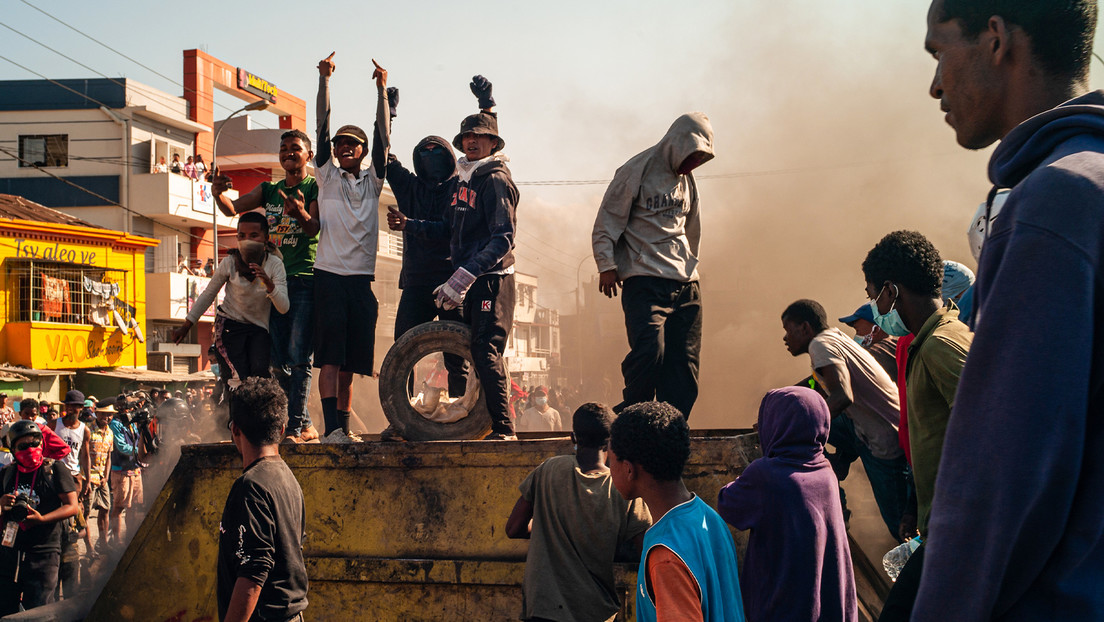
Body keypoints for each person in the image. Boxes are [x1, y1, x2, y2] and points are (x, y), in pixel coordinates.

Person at [915, 2, 1103, 618]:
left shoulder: (1052, 203)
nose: (936, 83)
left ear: (995, 39)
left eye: (939, 51)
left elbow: (999, 483)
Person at [388, 75, 520, 440]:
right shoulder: (466, 179)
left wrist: (488, 106)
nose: (472, 142)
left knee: (478, 351)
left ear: (493, 142)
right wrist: (388, 112)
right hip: (447, 281)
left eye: (479, 137)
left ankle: (498, 428)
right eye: (467, 138)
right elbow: (445, 227)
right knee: (409, 346)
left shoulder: (491, 178)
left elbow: (503, 238)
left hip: (484, 277)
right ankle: (408, 421)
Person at [859, 230, 972, 621]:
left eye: (875, 295)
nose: (876, 306)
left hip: (958, 533)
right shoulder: (930, 341)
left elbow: (986, 434)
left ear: (891, 291)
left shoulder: (942, 345)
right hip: (942, 529)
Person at [591, 113, 715, 419]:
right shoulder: (637, 170)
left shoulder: (688, 181)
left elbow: (693, 228)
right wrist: (606, 264)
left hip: (685, 283)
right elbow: (607, 220)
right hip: (644, 279)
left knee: (684, 363)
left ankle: (673, 423)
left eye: (701, 158)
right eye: (692, 154)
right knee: (649, 352)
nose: (694, 162)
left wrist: (692, 267)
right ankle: (635, 414)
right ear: (677, 144)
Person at [212, 129, 321, 443]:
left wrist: (298, 211)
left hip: (302, 279)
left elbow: (314, 228)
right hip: (269, 284)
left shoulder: (315, 186)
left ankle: (297, 427)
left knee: (300, 357)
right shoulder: (268, 190)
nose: (288, 152)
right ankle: (304, 423)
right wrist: (219, 192)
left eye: (295, 148)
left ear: (308, 156)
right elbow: (233, 208)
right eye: (284, 148)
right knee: (277, 361)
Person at [718, 387, 857, 622]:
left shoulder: (766, 474)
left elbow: (727, 504)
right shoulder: (825, 472)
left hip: (782, 608)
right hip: (824, 608)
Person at [505, 402, 651, 622]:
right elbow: (647, 552)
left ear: (573, 437)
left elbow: (514, 528)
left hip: (543, 608)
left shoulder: (548, 470)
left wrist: (546, 527)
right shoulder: (622, 486)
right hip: (594, 611)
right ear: (611, 442)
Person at [781, 299, 912, 540]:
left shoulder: (820, 344)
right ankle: (836, 462)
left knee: (901, 526)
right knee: (800, 419)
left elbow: (842, 397)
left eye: (788, 330)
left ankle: (922, 570)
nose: (785, 338)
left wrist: (795, 429)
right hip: (879, 426)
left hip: (885, 443)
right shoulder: (834, 337)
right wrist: (781, 408)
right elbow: (818, 384)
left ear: (806, 329)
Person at [382, 78, 471, 427]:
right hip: (417, 282)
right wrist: (388, 114)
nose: (431, 156)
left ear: (450, 157)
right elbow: (383, 155)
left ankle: (464, 415)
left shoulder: (461, 186)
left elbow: (450, 228)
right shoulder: (408, 186)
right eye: (425, 152)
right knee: (402, 350)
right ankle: (398, 418)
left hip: (453, 282)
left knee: (458, 354)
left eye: (439, 152)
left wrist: (410, 224)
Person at [311, 53, 390, 440]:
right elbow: (321, 126)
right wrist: (325, 81)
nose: (344, 147)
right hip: (328, 279)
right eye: (340, 143)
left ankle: (343, 429)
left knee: (351, 366)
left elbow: (383, 137)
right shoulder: (327, 176)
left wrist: (381, 92)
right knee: (329, 359)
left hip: (361, 282)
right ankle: (330, 431)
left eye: (352, 144)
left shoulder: (374, 182)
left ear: (362, 151)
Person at [607, 401, 745, 622]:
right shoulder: (709, 518)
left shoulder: (665, 554)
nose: (609, 469)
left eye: (610, 461)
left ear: (628, 469)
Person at [218, 377, 307, 622]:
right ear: (281, 429)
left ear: (235, 429)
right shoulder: (289, 479)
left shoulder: (250, 487)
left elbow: (253, 571)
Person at [171, 212, 290, 390]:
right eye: (241, 236)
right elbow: (208, 294)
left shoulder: (274, 265)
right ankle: (233, 417)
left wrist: (268, 283)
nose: (247, 240)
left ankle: (255, 417)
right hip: (230, 326)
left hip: (259, 329)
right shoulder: (229, 263)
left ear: (266, 238)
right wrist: (187, 325)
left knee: (260, 377)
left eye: (254, 236)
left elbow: (284, 307)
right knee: (238, 378)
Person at [0, 420, 79, 614]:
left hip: (45, 552)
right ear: (13, 450)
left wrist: (42, 519)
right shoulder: (7, 473)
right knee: (6, 609)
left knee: (39, 610)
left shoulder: (55, 470)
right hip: (11, 551)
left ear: (42, 443)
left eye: (35, 443)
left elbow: (72, 506)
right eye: (23, 446)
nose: (30, 449)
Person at [54, 390, 90, 597]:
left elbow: (84, 454)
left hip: (74, 477)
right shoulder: (55, 425)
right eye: (69, 405)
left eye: (76, 406)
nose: (72, 409)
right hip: (55, 476)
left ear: (81, 408)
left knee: (74, 517)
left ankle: (72, 543)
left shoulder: (84, 430)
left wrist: (87, 479)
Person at [108, 405, 142, 543]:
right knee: (119, 507)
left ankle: (129, 538)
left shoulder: (131, 424)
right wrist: (140, 452)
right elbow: (121, 447)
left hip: (134, 469)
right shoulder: (115, 425)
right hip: (121, 470)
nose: (131, 411)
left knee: (134, 506)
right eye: (128, 408)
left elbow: (137, 440)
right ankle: (116, 540)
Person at [838, 304, 898, 382]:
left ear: (875, 330)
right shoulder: (898, 344)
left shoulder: (876, 353)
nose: (856, 336)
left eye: (858, 331)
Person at [87, 403, 113, 555]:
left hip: (102, 478)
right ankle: (89, 546)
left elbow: (109, 456)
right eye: (103, 414)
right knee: (86, 514)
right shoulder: (88, 430)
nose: (106, 417)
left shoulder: (110, 433)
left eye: (109, 415)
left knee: (105, 509)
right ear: (97, 414)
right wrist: (87, 478)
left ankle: (103, 544)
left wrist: (106, 476)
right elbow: (83, 455)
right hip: (88, 477)